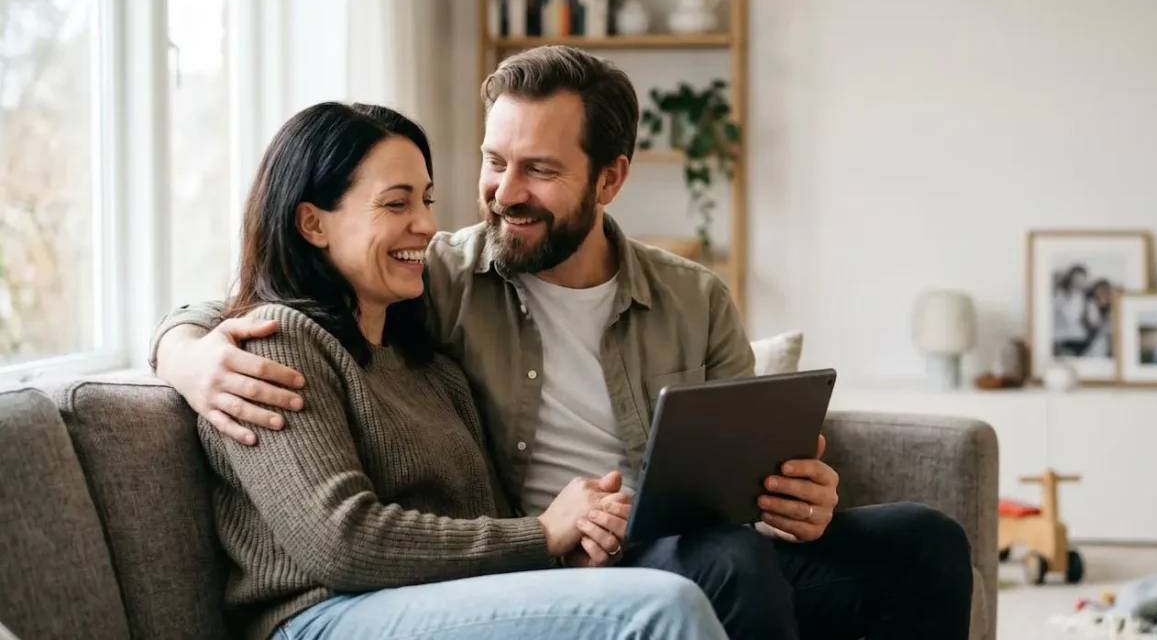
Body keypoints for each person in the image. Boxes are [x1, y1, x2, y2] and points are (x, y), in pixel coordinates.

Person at [150, 46, 973, 640]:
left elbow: (750, 479)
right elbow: (263, 292)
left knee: (921, 542)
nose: (502, 195)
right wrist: (183, 353)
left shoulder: (692, 298)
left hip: (671, 544)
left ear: (609, 179)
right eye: (492, 161)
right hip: (557, 558)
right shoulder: (432, 278)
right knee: (732, 569)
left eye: (538, 170)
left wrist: (800, 495)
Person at [193, 100, 728, 640]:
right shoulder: (272, 346)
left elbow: (485, 524)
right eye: (395, 204)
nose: (426, 225)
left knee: (724, 569)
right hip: (324, 617)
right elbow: (341, 543)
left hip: (438, 602)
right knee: (661, 608)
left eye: (426, 200)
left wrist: (568, 557)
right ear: (312, 223)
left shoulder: (429, 368)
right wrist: (544, 533)